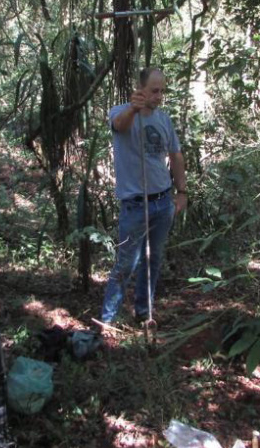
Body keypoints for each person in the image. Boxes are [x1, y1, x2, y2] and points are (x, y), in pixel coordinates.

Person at [99, 67, 188, 326]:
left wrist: (182, 191)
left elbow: (176, 155)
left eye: (162, 91)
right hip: (135, 205)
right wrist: (133, 110)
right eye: (154, 91)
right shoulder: (120, 111)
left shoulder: (163, 119)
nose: (159, 96)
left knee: (153, 259)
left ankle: (143, 311)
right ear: (140, 89)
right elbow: (120, 125)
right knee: (126, 264)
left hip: (163, 201)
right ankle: (107, 320)